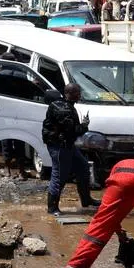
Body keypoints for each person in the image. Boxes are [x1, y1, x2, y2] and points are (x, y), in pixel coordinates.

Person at [42, 83, 96, 215]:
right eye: (77, 93)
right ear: (69, 94)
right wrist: (84, 125)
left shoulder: (65, 105)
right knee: (59, 175)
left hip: (67, 145)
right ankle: (52, 207)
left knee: (83, 167)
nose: (79, 95)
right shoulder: (63, 109)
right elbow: (73, 131)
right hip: (59, 146)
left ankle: (86, 199)